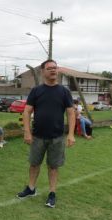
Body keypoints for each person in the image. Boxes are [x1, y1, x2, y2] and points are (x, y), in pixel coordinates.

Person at [16, 59, 75, 208]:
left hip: (57, 137)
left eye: (55, 68)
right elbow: (27, 111)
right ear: (43, 71)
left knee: (53, 167)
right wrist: (27, 132)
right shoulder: (36, 91)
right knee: (34, 164)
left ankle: (52, 193)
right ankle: (31, 189)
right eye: (49, 68)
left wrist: (71, 134)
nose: (53, 70)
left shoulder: (64, 91)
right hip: (37, 136)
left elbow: (71, 113)